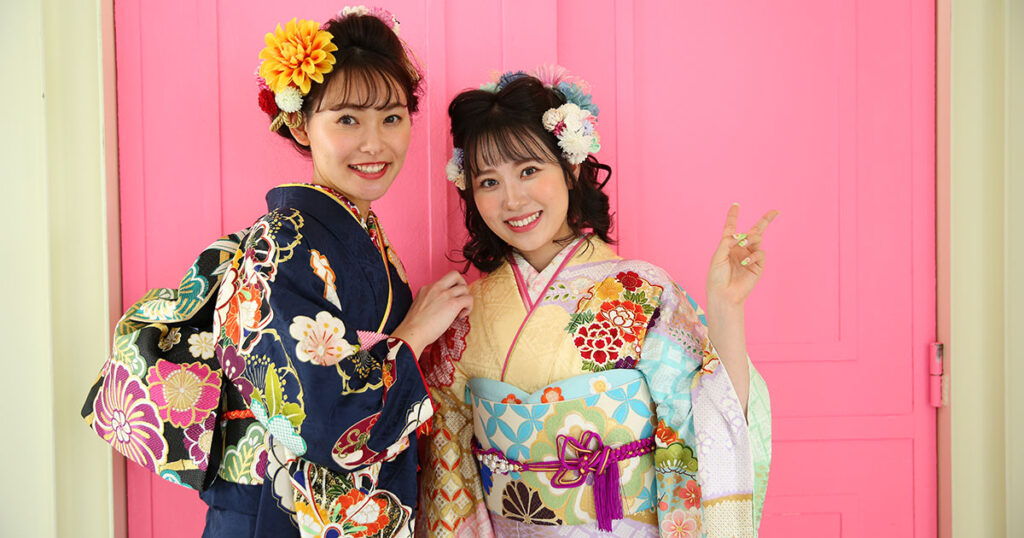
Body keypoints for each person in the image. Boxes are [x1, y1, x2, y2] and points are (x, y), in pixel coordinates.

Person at [83, 7, 470, 538]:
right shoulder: (282, 240)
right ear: (300, 124)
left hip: (331, 508)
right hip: (276, 509)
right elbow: (321, 414)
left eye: (392, 118)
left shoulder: (355, 235)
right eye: (347, 119)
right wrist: (415, 333)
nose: (374, 143)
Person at [418, 69, 775, 537]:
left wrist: (726, 307)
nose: (512, 200)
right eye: (488, 182)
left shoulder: (642, 291)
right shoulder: (465, 312)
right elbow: (448, 461)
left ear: (570, 168)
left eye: (529, 171)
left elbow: (704, 413)